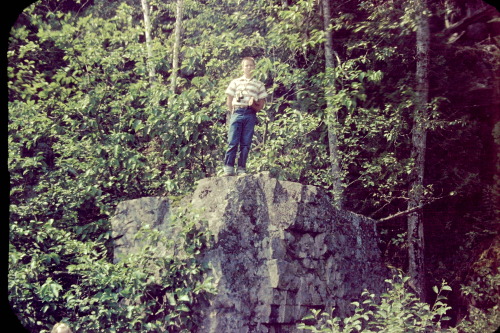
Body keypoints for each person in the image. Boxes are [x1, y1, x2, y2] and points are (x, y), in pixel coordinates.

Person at [223, 57, 268, 176]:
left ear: (254, 67)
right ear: (242, 68)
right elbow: (229, 98)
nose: (249, 67)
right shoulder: (235, 82)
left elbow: (262, 103)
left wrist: (254, 105)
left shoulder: (258, 84)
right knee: (232, 140)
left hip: (250, 114)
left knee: (246, 143)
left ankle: (241, 168)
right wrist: (233, 110)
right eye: (246, 65)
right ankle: (228, 167)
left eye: (251, 65)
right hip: (237, 112)